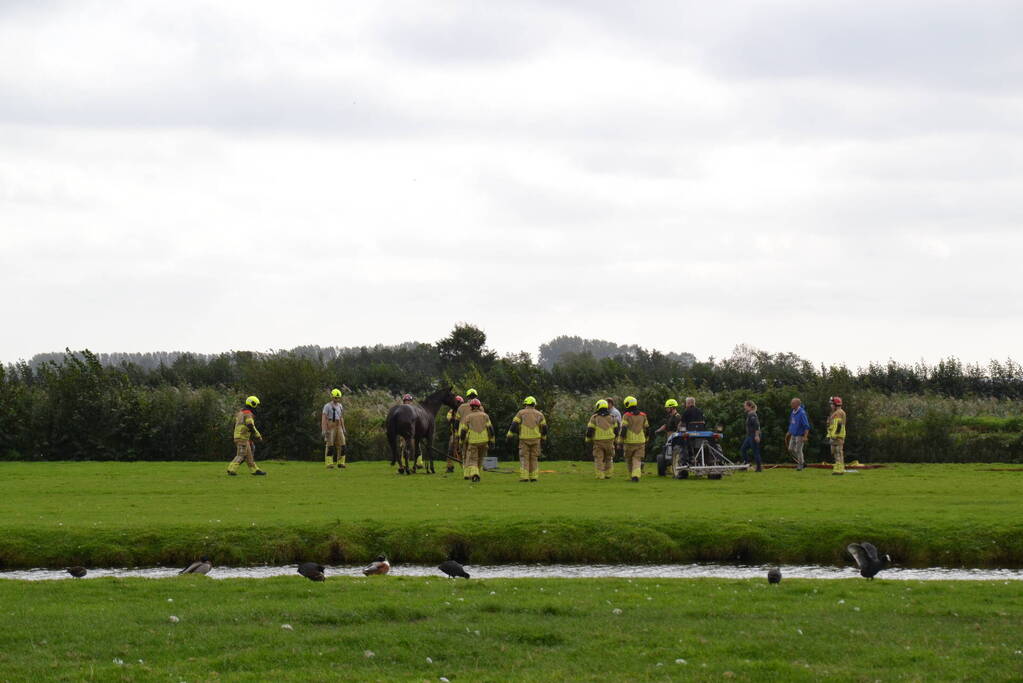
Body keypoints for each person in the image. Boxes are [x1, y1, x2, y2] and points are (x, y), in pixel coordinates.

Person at [506, 396, 548, 482]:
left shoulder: (521, 413)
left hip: (524, 439)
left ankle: (524, 477)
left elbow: (514, 424)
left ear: (525, 404)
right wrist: (543, 437)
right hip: (536, 439)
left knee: (524, 457)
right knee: (534, 458)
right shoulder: (540, 414)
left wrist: (509, 434)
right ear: (534, 404)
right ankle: (534, 477)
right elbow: (545, 427)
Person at [228, 395, 266, 476]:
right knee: (241, 455)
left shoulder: (240, 413)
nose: (257, 407)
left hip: (240, 437)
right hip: (242, 437)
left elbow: (235, 425)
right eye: (256, 405)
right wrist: (257, 435)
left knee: (249, 456)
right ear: (253, 404)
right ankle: (231, 469)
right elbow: (250, 425)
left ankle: (255, 470)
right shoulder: (248, 413)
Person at [458, 398, 493, 483]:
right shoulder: (485, 416)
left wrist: (461, 442)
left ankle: (474, 474)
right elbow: (491, 430)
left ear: (471, 407)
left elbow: (463, 431)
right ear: (479, 406)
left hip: (473, 442)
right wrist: (492, 441)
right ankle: (477, 473)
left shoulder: (468, 417)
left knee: (472, 459)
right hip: (484, 441)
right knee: (480, 459)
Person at [616, 396, 649, 482]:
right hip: (641, 441)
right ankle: (636, 475)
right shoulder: (643, 415)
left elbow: (623, 429)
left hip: (629, 442)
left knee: (629, 459)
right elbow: (647, 428)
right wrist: (647, 438)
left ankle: (632, 475)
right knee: (637, 459)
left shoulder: (626, 416)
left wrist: (620, 442)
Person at [585, 399, 620, 479]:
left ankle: (600, 475)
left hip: (598, 441)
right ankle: (608, 474)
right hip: (610, 441)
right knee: (609, 457)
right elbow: (616, 430)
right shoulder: (612, 417)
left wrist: (588, 439)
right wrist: (616, 440)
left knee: (599, 458)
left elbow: (590, 430)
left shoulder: (594, 417)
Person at [321, 388, 347, 469]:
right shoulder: (327, 406)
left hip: (339, 426)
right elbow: (324, 418)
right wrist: (324, 430)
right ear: (332, 397)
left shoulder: (340, 406)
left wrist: (344, 428)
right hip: (330, 426)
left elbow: (341, 417)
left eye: (338, 398)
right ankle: (329, 463)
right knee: (330, 446)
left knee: (342, 445)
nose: (337, 399)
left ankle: (341, 462)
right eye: (335, 397)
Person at [788, 398, 811, 471]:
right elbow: (792, 422)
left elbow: (806, 425)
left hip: (800, 435)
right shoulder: (793, 412)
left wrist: (805, 436)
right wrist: (789, 431)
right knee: (790, 449)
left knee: (798, 450)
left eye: (793, 403)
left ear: (797, 404)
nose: (791, 405)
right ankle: (803, 462)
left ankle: (800, 465)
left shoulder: (802, 413)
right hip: (793, 434)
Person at [740, 400, 762, 472]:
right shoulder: (749, 414)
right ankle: (745, 465)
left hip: (753, 435)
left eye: (745, 406)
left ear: (749, 406)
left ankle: (758, 468)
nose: (744, 407)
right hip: (749, 436)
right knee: (743, 449)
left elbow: (757, 425)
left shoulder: (752, 414)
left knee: (755, 451)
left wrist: (757, 436)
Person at [827, 396, 847, 475]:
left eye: (832, 404)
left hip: (837, 437)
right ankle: (839, 468)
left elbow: (838, 425)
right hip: (836, 436)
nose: (831, 406)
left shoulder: (838, 413)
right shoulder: (837, 412)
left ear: (835, 404)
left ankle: (839, 470)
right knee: (836, 453)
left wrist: (835, 434)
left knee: (838, 452)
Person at [445, 395, 464, 473]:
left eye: (459, 403)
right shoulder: (451, 411)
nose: (458, 404)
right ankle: (450, 467)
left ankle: (465, 466)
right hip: (454, 433)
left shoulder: (464, 410)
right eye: (457, 403)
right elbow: (448, 418)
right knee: (450, 450)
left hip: (463, 433)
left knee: (462, 450)